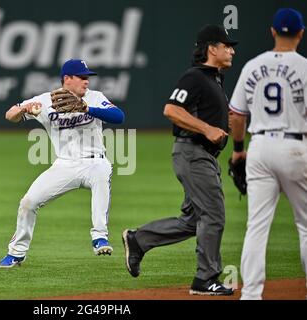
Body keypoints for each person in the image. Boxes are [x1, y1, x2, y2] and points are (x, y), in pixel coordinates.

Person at [122, 25, 237, 296]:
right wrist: (208, 129)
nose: (231, 50)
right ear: (212, 49)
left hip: (201, 155)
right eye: (226, 45)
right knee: (213, 215)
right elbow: (171, 109)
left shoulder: (214, 79)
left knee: (193, 220)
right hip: (194, 153)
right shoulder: (195, 77)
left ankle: (139, 240)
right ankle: (205, 279)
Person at [0, 59, 125, 268]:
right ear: (67, 79)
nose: (86, 81)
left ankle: (99, 237)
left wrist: (86, 108)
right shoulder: (46, 100)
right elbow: (10, 114)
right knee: (28, 202)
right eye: (82, 77)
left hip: (95, 162)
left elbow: (119, 117)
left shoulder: (95, 97)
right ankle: (16, 253)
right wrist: (24, 109)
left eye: (88, 77)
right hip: (64, 165)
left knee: (102, 175)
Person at [229, 8, 307, 300]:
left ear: (273, 32)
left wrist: (239, 151)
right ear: (300, 33)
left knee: (257, 226)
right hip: (295, 145)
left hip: (259, 146)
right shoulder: (304, 67)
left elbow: (236, 116)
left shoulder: (252, 66)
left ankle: (250, 295)